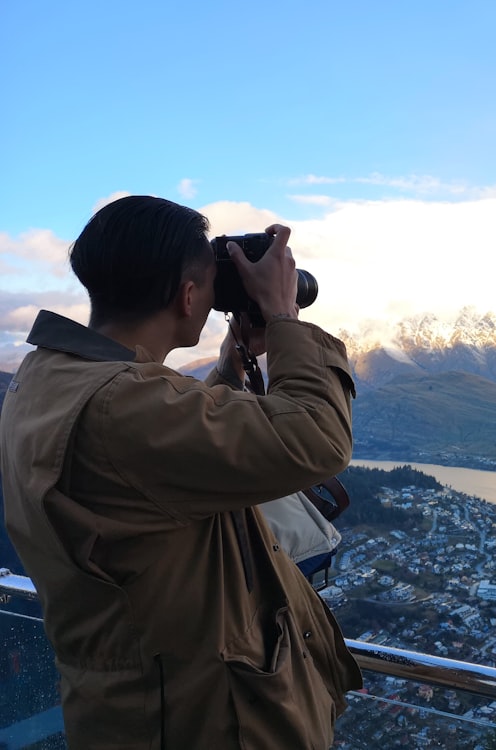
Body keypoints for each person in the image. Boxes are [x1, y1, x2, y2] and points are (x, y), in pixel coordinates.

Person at [0, 195, 363, 748]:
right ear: (189, 295)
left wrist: (233, 367)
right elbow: (319, 437)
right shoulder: (117, 407)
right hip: (198, 720)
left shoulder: (46, 376)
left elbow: (149, 463)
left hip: (125, 708)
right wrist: (285, 320)